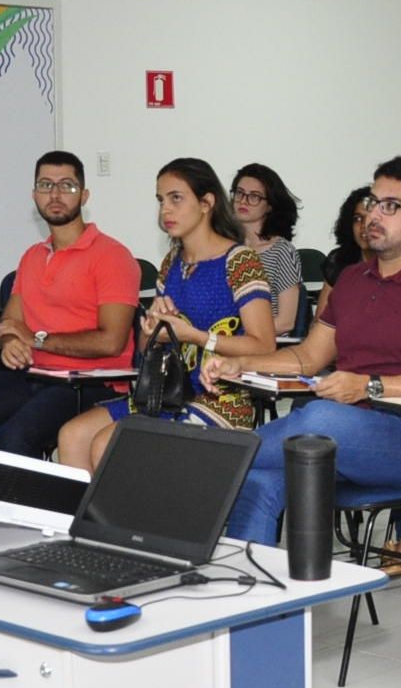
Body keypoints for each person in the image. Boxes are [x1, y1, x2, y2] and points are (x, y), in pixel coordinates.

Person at [204, 157, 401, 545]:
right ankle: (253, 587)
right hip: (337, 438)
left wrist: (368, 386)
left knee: (319, 416)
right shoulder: (351, 280)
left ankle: (208, 459)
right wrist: (241, 363)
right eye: (372, 202)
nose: (374, 214)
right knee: (259, 481)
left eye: (390, 206)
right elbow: (307, 358)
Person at [56, 159, 275, 471]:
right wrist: (151, 328)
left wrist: (195, 337)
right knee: (73, 435)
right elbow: (146, 349)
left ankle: (133, 505)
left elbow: (264, 345)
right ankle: (96, 507)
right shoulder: (172, 263)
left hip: (222, 401)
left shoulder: (240, 261)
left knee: (110, 442)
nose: (165, 210)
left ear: (206, 203)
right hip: (167, 393)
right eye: (161, 200)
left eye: (176, 198)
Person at [0, 152, 139, 457]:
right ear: (34, 195)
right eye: (45, 185)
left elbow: (111, 341)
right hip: (31, 374)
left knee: (15, 438)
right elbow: (9, 323)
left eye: (66, 186)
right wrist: (10, 343)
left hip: (89, 383)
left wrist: (37, 339)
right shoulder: (32, 256)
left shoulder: (113, 256)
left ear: (84, 195)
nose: (55, 194)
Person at [230, 163, 304, 335]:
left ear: (270, 205)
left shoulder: (282, 251)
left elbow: (285, 322)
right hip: (223, 340)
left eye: (254, 196)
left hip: (265, 343)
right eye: (240, 193)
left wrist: (238, 340)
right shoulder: (224, 248)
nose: (243, 201)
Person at [317, 184, 372, 320]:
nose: (363, 226)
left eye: (371, 219)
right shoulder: (340, 260)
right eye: (358, 219)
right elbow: (320, 320)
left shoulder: (396, 266)